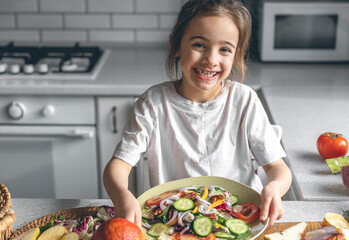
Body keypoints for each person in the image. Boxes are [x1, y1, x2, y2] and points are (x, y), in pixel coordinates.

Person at [103, 0, 292, 229]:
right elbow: (118, 166)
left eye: (224, 49)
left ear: (236, 55)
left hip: (239, 222)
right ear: (177, 45)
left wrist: (274, 187)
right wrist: (122, 194)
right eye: (199, 45)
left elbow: (278, 169)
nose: (211, 60)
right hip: (174, 226)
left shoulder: (245, 100)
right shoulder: (153, 103)